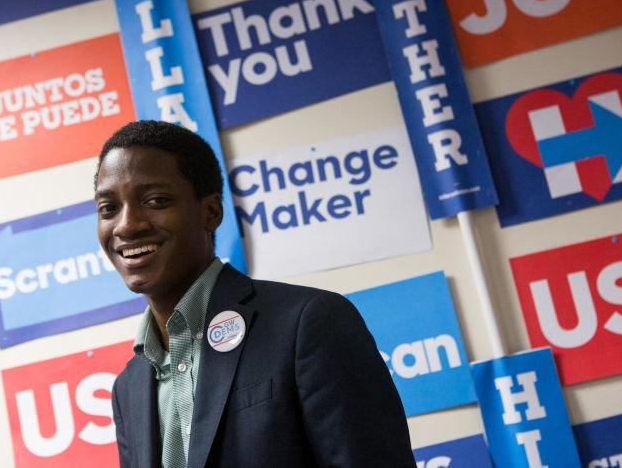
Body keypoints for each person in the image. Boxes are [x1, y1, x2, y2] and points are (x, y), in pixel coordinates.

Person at [94, 120, 416, 468]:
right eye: (109, 209)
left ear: (211, 212)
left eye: (156, 200)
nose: (127, 225)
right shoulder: (128, 388)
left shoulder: (308, 323)